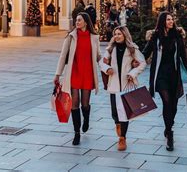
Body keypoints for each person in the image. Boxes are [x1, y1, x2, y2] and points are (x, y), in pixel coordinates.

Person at [142, 11, 187, 151]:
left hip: (174, 75)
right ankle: (170, 133)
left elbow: (183, 57)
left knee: (173, 106)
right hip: (160, 76)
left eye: (172, 19)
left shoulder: (177, 36)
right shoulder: (156, 37)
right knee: (166, 102)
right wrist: (134, 63)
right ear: (162, 21)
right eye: (168, 19)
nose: (171, 21)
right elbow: (146, 53)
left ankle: (168, 127)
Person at [54, 12, 100, 146]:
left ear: (86, 22)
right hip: (74, 73)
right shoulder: (71, 36)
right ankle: (76, 133)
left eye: (79, 20)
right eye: (76, 20)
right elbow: (63, 56)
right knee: (74, 104)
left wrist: (107, 65)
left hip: (88, 74)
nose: (77, 22)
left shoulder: (94, 37)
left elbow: (98, 56)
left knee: (85, 104)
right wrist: (58, 74)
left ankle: (86, 118)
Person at [99, 26, 146, 151]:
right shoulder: (110, 49)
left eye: (119, 34)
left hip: (126, 85)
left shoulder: (132, 49)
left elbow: (142, 63)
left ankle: (122, 138)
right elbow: (101, 62)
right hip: (114, 84)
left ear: (125, 35)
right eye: (115, 34)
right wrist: (106, 69)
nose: (117, 36)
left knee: (124, 113)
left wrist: (133, 73)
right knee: (115, 113)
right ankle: (117, 124)